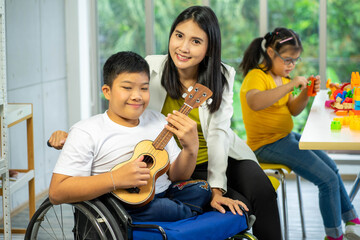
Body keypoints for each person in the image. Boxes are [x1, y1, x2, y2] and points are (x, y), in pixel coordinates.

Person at [49, 6, 281, 239]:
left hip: (216, 154)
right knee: (236, 205)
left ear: (209, 47)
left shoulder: (222, 75)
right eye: (179, 36)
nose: (184, 47)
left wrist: (217, 188)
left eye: (196, 41)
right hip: (171, 160)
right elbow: (122, 104)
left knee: (262, 191)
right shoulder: (151, 66)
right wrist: (74, 136)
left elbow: (218, 134)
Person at [49, 51, 213, 222]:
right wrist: (115, 179)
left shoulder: (158, 120)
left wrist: (190, 149)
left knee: (201, 189)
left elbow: (177, 177)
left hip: (162, 193)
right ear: (107, 91)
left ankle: (182, 214)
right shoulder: (87, 131)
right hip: (120, 203)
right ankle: (187, 216)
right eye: (127, 88)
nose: (137, 96)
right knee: (164, 207)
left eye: (144, 88)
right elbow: (56, 192)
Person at [239, 27, 360, 240]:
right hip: (266, 145)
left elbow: (293, 110)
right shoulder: (256, 76)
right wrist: (292, 85)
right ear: (270, 53)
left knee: (332, 168)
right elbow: (255, 102)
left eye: (295, 60)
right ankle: (334, 235)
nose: (292, 65)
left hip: (285, 137)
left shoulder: (283, 79)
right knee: (327, 180)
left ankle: (351, 218)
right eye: (287, 60)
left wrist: (305, 93)